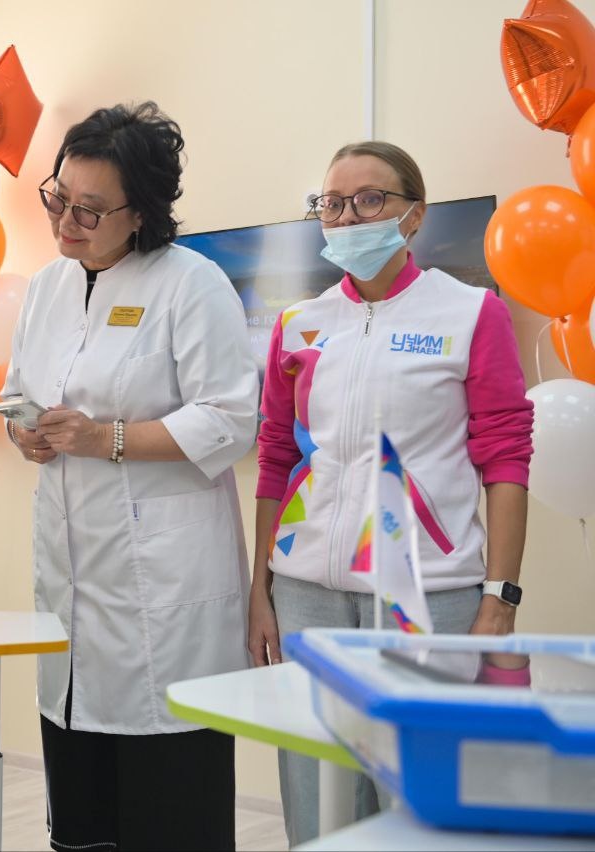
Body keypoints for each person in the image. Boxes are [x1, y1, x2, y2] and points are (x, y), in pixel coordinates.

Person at [247, 141, 534, 845]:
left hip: (426, 599)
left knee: (421, 812)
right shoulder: (299, 324)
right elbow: (277, 458)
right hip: (307, 595)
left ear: (415, 215)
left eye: (370, 199)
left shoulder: (470, 314)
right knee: (318, 808)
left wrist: (499, 598)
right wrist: (261, 588)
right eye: (332, 203)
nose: (348, 217)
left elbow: (505, 459)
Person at [2, 102, 258, 851]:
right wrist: (26, 434)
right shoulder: (47, 287)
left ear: (140, 213)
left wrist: (104, 438)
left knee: (167, 805)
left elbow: (229, 419)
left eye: (89, 210)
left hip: (165, 588)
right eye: (58, 199)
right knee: (83, 806)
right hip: (73, 576)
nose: (66, 223)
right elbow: (16, 392)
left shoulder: (192, 284)